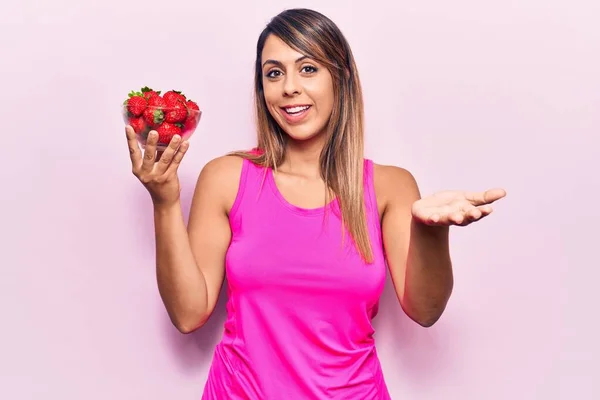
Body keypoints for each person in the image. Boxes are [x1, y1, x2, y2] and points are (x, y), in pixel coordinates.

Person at [124, 7, 506, 400]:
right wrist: (165, 202)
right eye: (274, 73)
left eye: (308, 69)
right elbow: (188, 315)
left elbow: (425, 311)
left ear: (340, 78)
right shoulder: (226, 177)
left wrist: (432, 229)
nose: (289, 87)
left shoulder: (391, 187)